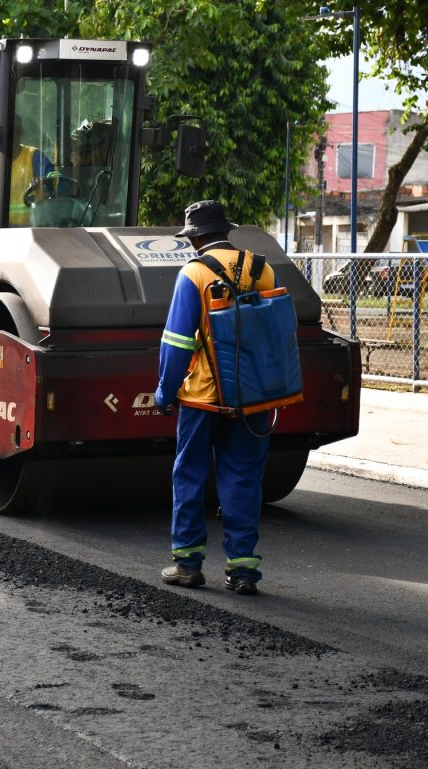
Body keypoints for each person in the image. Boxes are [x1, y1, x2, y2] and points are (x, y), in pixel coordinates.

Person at [154, 200, 276, 595]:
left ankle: (188, 564)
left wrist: (164, 392)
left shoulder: (193, 273)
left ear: (195, 239)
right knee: (243, 477)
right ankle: (243, 570)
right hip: (252, 396)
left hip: (203, 397)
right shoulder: (262, 268)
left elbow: (175, 342)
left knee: (190, 474)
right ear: (226, 231)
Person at [8, 116, 55, 226]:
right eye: (6, 130)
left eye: (14, 130)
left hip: (32, 228)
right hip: (0, 227)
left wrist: (46, 182)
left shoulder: (34, 156)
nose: (10, 134)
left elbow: (54, 177)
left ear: (21, 132)